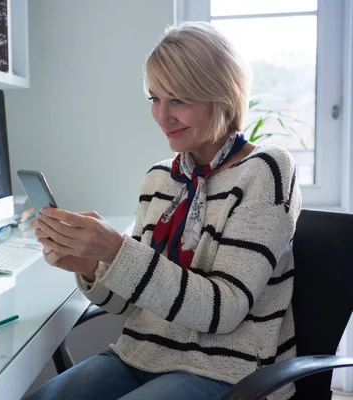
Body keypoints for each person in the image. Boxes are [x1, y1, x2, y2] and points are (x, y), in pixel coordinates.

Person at [25, 21, 301, 400]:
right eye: (155, 99)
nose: (161, 116)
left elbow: (222, 311)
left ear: (222, 96)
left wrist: (116, 251)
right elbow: (129, 302)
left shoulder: (266, 170)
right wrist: (88, 265)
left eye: (179, 100)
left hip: (228, 370)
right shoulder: (159, 178)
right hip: (141, 355)